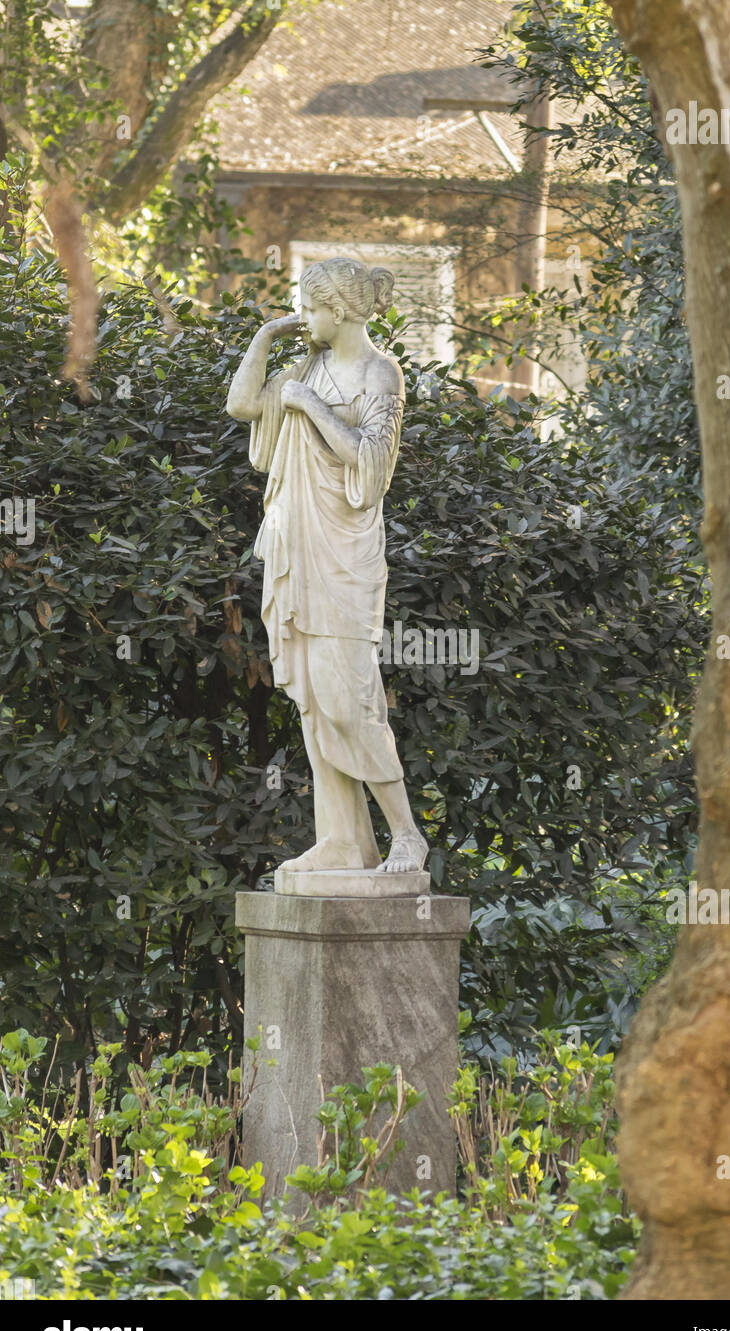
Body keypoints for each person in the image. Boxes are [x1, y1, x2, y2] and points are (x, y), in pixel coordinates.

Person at [226, 257, 428, 876]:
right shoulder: (304, 366)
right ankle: (344, 841)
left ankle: (407, 836)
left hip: (345, 553)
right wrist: (266, 337)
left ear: (338, 310)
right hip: (299, 542)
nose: (303, 317)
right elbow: (242, 406)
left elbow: (372, 465)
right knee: (315, 701)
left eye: (309, 308)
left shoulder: (379, 372)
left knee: (349, 701)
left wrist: (310, 405)